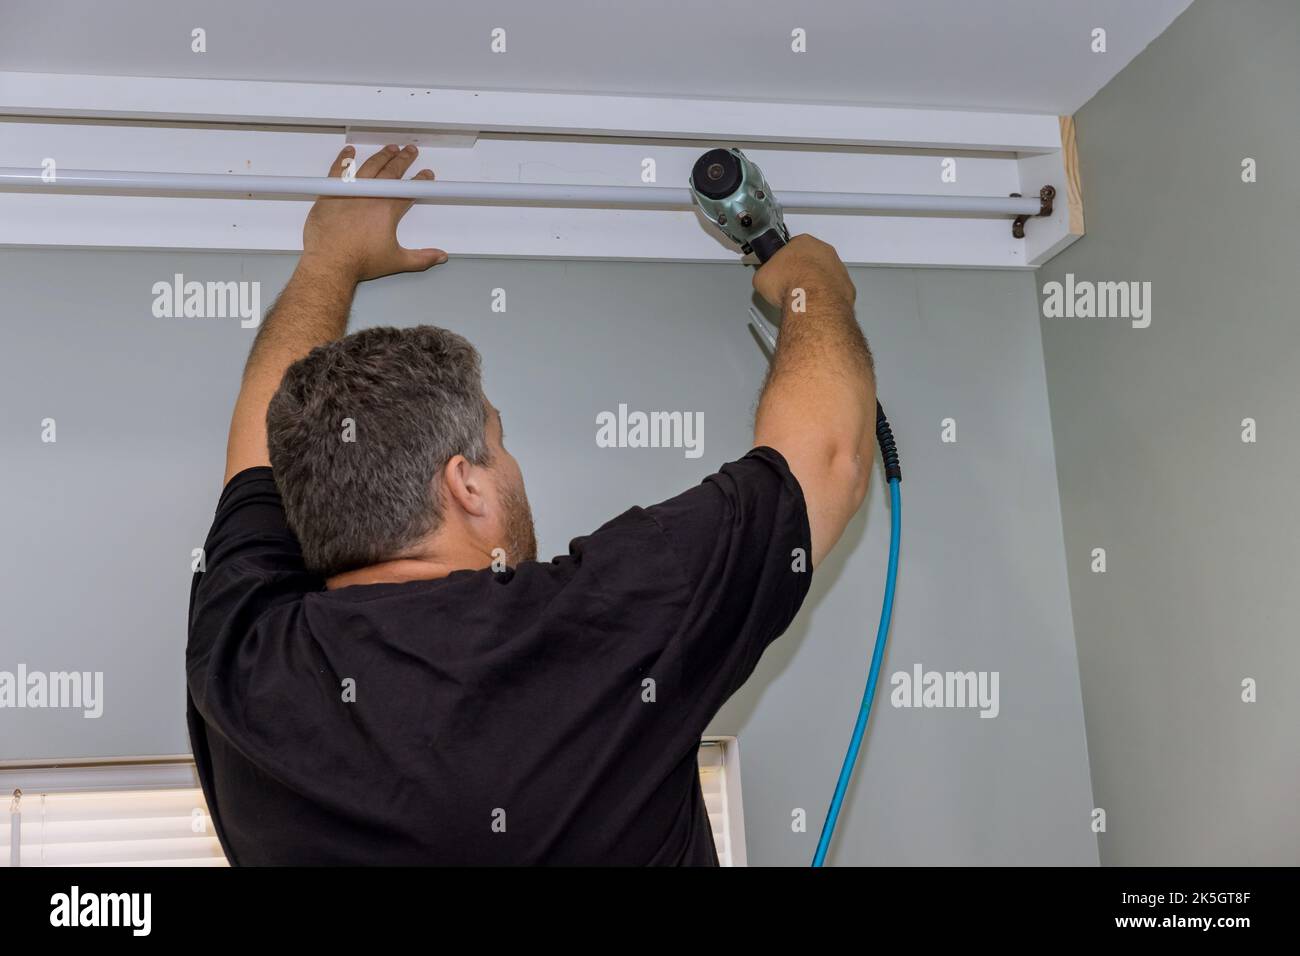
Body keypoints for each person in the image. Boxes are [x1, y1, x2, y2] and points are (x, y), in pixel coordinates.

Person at [187, 144, 877, 864]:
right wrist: (815, 286)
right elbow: (829, 459)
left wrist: (328, 262)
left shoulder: (242, 659)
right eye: (499, 441)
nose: (510, 465)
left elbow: (263, 447)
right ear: (467, 484)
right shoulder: (599, 626)